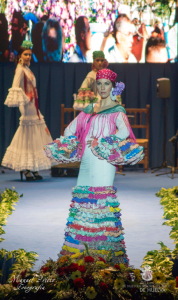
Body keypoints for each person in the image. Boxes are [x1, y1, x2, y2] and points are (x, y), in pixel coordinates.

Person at [44, 69, 144, 264]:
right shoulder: (90, 109)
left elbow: (124, 132)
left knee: (102, 205)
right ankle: (79, 256)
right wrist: (71, 142)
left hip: (104, 160)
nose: (103, 87)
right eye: (99, 84)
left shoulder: (117, 110)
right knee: (84, 203)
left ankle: (104, 258)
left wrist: (105, 141)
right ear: (95, 85)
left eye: (107, 84)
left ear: (113, 87)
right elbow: (70, 129)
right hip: (87, 160)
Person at [1, 41, 54, 181]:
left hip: (33, 105)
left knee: (33, 135)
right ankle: (26, 168)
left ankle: (31, 167)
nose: (28, 57)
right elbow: (15, 87)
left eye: (30, 55)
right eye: (26, 54)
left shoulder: (27, 69)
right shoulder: (20, 68)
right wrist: (25, 98)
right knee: (28, 134)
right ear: (19, 56)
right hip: (27, 105)